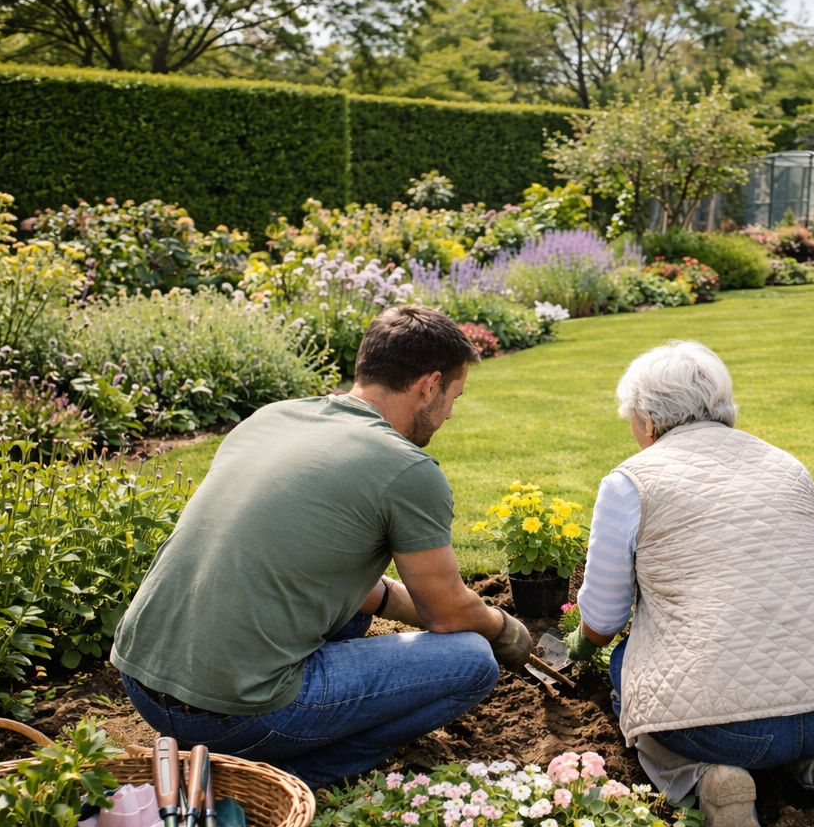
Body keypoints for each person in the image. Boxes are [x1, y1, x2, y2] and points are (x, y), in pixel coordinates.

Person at [111, 306, 532, 789]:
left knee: (351, 610)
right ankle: (286, 780)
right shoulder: (407, 469)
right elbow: (447, 613)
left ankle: (254, 751)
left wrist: (401, 602)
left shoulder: (274, 418)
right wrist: (502, 629)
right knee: (471, 661)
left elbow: (323, 571)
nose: (451, 412)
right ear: (430, 385)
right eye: (454, 396)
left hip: (143, 682)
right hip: (234, 717)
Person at [564, 341, 814, 827]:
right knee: (800, 707)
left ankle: (708, 778)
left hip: (722, 732)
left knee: (626, 665)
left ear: (648, 421)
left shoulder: (629, 483)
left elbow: (604, 618)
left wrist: (579, 643)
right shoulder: (787, 465)